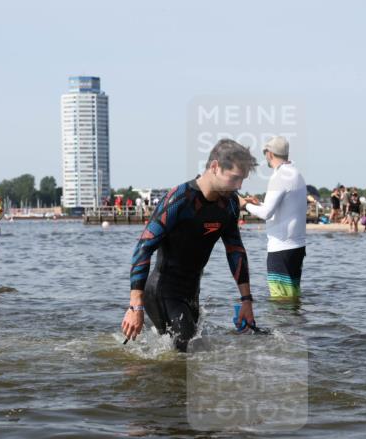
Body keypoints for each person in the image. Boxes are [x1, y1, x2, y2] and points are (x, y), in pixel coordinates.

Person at [121, 138, 256, 351]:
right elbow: (143, 247)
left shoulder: (229, 204)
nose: (239, 186)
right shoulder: (179, 199)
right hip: (162, 291)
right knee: (189, 354)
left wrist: (246, 300)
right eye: (235, 178)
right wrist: (135, 305)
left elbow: (235, 251)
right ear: (215, 167)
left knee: (184, 353)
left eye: (242, 180)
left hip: (191, 293)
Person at [240, 136, 308, 300]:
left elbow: (266, 214)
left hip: (281, 248)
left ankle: (283, 327)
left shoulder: (279, 177)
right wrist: (260, 203)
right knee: (292, 298)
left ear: (269, 154)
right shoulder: (295, 173)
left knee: (281, 301)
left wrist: (244, 204)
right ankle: (296, 326)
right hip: (297, 247)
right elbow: (283, 208)